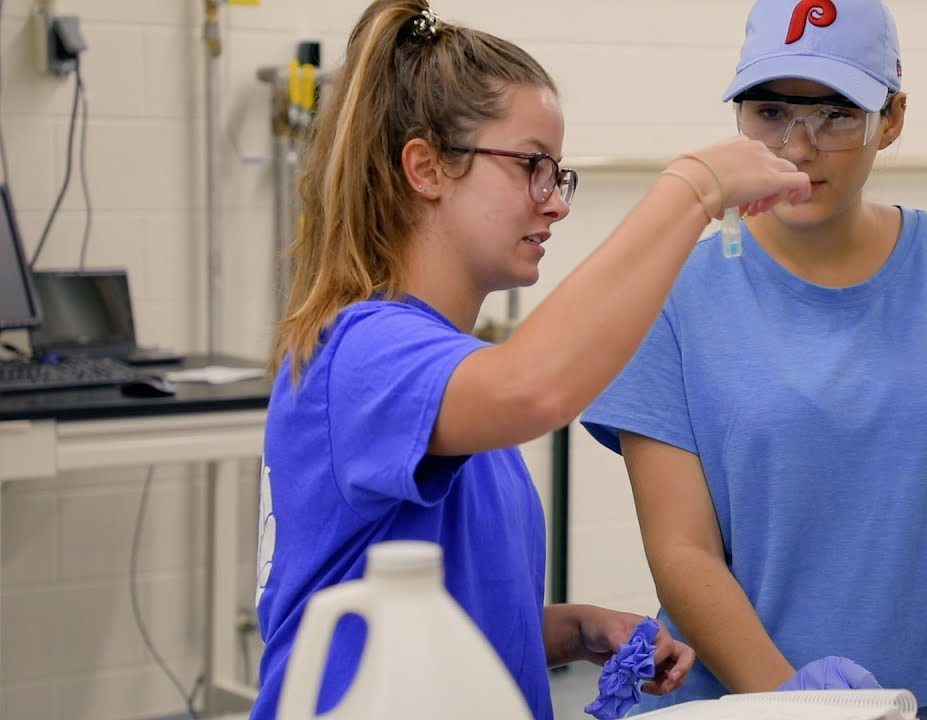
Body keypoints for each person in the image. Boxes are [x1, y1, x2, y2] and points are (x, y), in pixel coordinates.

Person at [250, 2, 811, 719]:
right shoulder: (362, 352)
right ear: (426, 168)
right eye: (531, 166)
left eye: (558, 173)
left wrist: (571, 630)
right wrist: (695, 187)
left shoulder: (447, 378)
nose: (555, 203)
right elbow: (535, 388)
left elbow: (435, 625)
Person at [581, 0, 927, 711]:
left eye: (837, 115)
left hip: (926, 699)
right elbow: (683, 553)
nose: (797, 147)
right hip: (748, 704)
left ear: (892, 118)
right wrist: (794, 701)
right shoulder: (674, 291)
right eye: (771, 112)